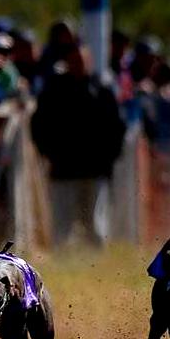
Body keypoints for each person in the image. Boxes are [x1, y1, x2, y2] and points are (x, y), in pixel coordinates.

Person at [30, 43, 126, 246]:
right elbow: (40, 124)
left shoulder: (101, 90)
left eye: (81, 60)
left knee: (96, 225)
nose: (78, 64)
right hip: (63, 169)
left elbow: (115, 127)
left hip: (95, 169)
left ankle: (96, 261)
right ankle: (61, 260)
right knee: (62, 225)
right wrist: (48, 152)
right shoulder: (55, 90)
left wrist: (109, 159)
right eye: (73, 60)